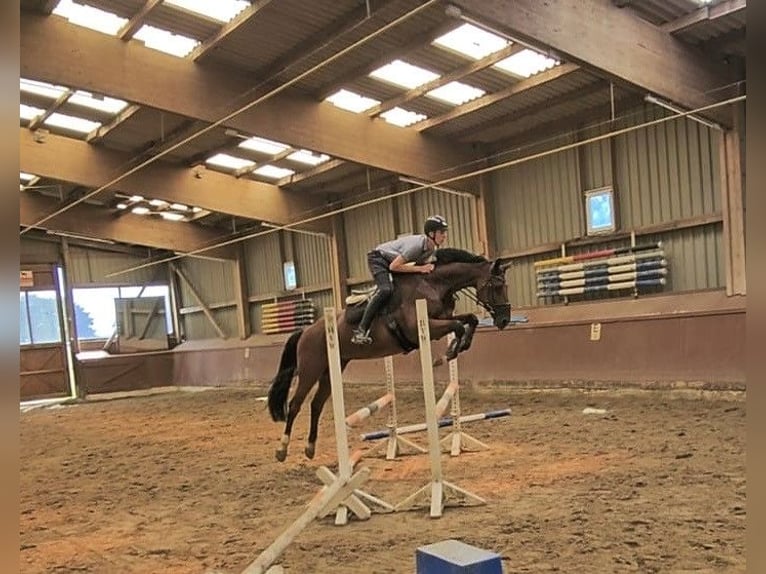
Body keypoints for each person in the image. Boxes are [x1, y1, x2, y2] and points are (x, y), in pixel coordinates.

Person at [351, 215, 449, 345]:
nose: (444, 236)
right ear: (431, 234)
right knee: (386, 289)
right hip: (378, 259)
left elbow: (416, 267)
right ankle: (361, 330)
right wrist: (421, 269)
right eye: (442, 232)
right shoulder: (417, 245)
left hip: (391, 261)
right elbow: (394, 266)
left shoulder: (431, 248)